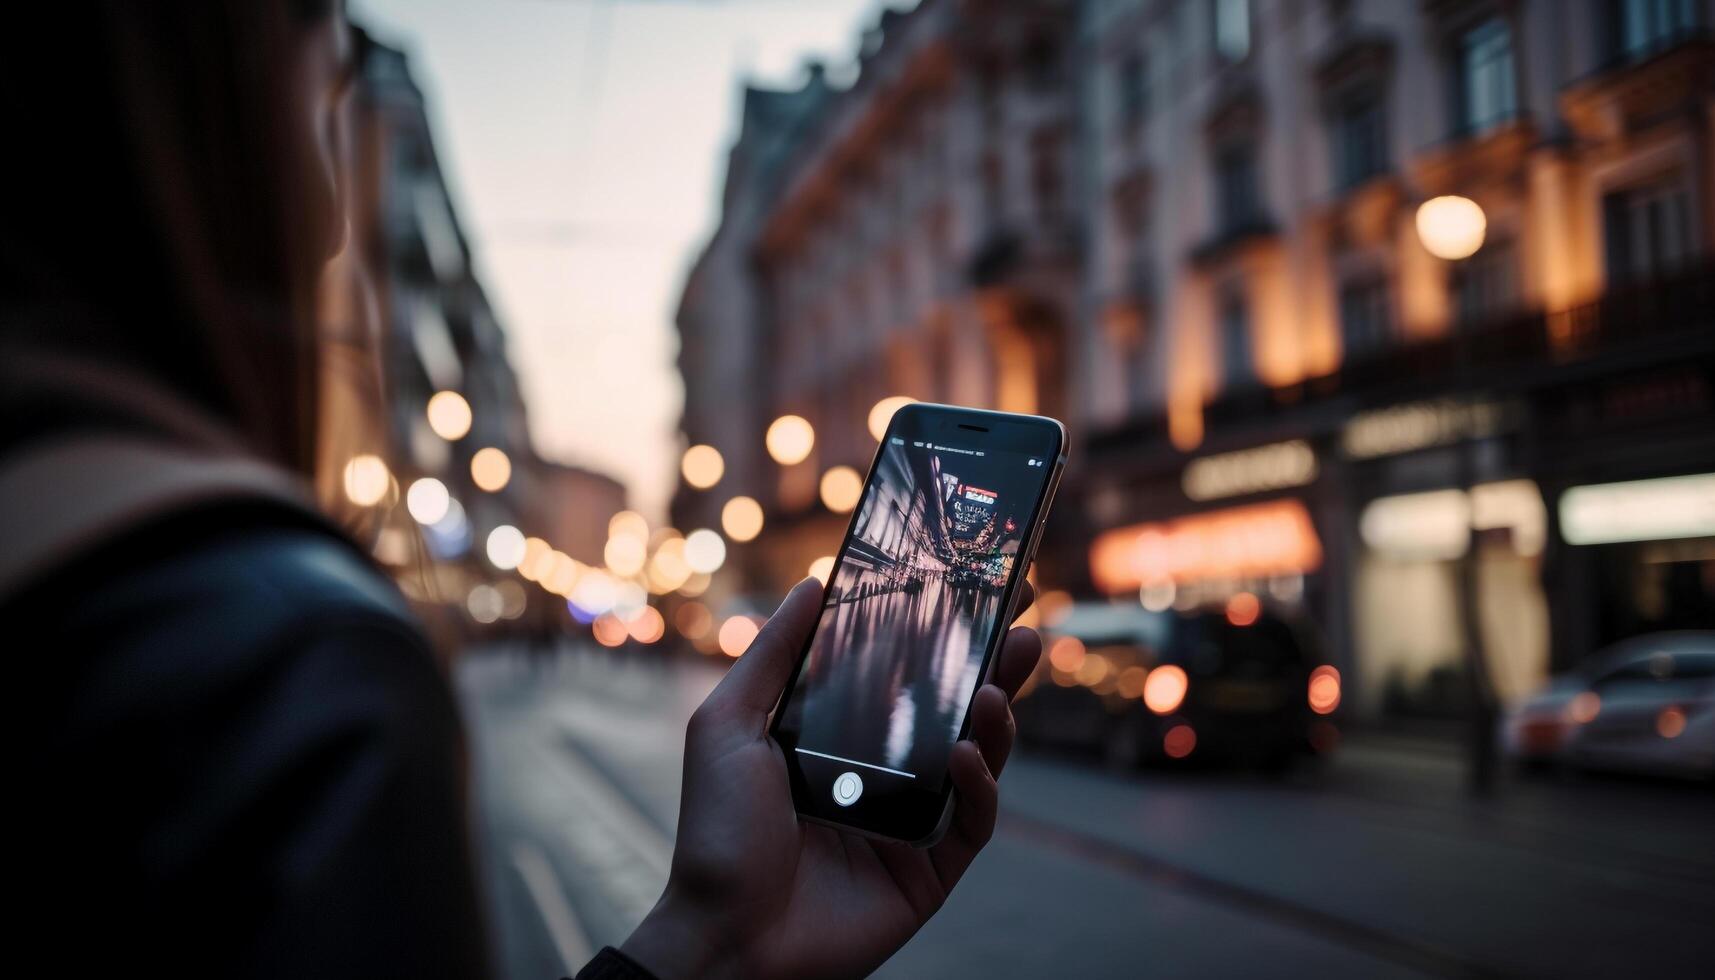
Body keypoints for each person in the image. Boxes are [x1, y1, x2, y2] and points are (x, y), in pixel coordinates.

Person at [0, 3, 1043, 978]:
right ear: (211, 134)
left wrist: (715, 941)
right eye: (324, 116)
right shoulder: (295, 664)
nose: (330, 220)